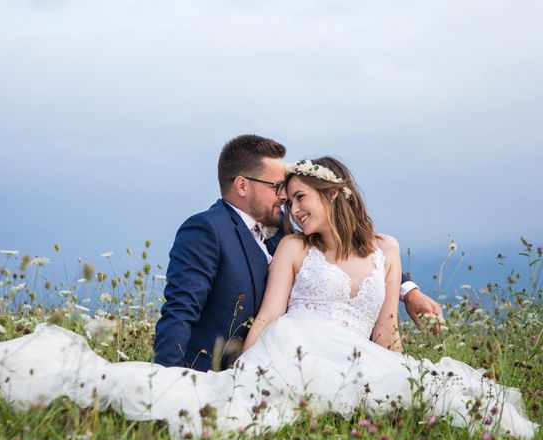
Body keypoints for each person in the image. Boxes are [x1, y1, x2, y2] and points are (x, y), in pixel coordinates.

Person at [0, 156, 538, 440]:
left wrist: (408, 298)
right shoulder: (291, 248)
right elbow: (271, 314)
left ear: (337, 194)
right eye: (286, 197)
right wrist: (238, 367)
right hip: (298, 349)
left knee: (452, 396)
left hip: (359, 354)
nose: (292, 208)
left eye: (301, 197)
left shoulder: (387, 246)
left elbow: (383, 330)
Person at [154, 134, 441, 372]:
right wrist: (171, 380)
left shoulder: (282, 226)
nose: (286, 201)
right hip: (243, 365)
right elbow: (180, 311)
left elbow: (353, 257)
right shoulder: (208, 230)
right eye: (277, 188)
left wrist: (409, 290)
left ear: (332, 194)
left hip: (348, 365)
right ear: (242, 185)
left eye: (293, 195)